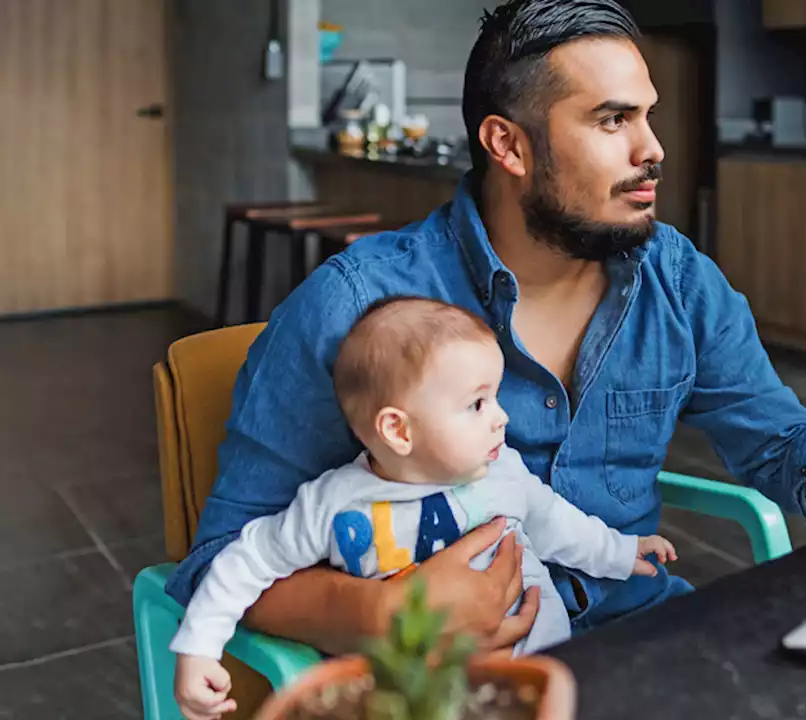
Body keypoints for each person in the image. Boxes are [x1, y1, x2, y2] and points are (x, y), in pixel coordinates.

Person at [167, 0, 806, 659]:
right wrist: (380, 616)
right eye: (612, 120)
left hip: (644, 633)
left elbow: (791, 452)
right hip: (445, 677)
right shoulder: (353, 307)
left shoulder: (678, 281)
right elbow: (218, 561)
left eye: (648, 117)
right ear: (509, 144)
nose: (654, 148)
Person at [171, 296, 676, 719]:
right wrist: (199, 647)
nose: (501, 418)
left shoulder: (503, 475)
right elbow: (247, 561)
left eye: (496, 398)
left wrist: (621, 551)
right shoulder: (333, 504)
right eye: (478, 404)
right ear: (398, 430)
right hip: (407, 697)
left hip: (533, 680)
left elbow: (560, 527)